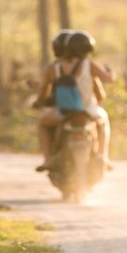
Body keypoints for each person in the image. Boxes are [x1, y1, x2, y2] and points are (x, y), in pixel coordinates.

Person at [33, 30, 114, 172]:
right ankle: (103, 156)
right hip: (88, 111)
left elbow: (43, 95)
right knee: (103, 121)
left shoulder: (54, 68)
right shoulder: (89, 64)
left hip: (64, 113)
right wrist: (111, 72)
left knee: (42, 124)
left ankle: (48, 160)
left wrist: (39, 103)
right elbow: (108, 80)